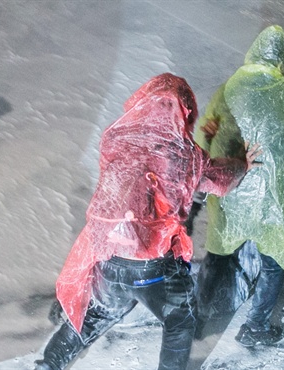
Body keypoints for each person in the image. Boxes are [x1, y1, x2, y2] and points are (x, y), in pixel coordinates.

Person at [34, 73, 260, 370]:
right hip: (152, 269)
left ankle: (47, 365)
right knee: (179, 322)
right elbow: (218, 180)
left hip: (108, 257)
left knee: (93, 316)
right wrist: (241, 162)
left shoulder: (115, 138)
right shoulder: (183, 154)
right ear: (185, 111)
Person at [194, 25, 284, 347]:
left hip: (232, 187)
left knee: (218, 254)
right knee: (273, 260)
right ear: (283, 62)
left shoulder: (229, 89)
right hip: (270, 195)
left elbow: (207, 133)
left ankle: (196, 317)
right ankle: (256, 325)